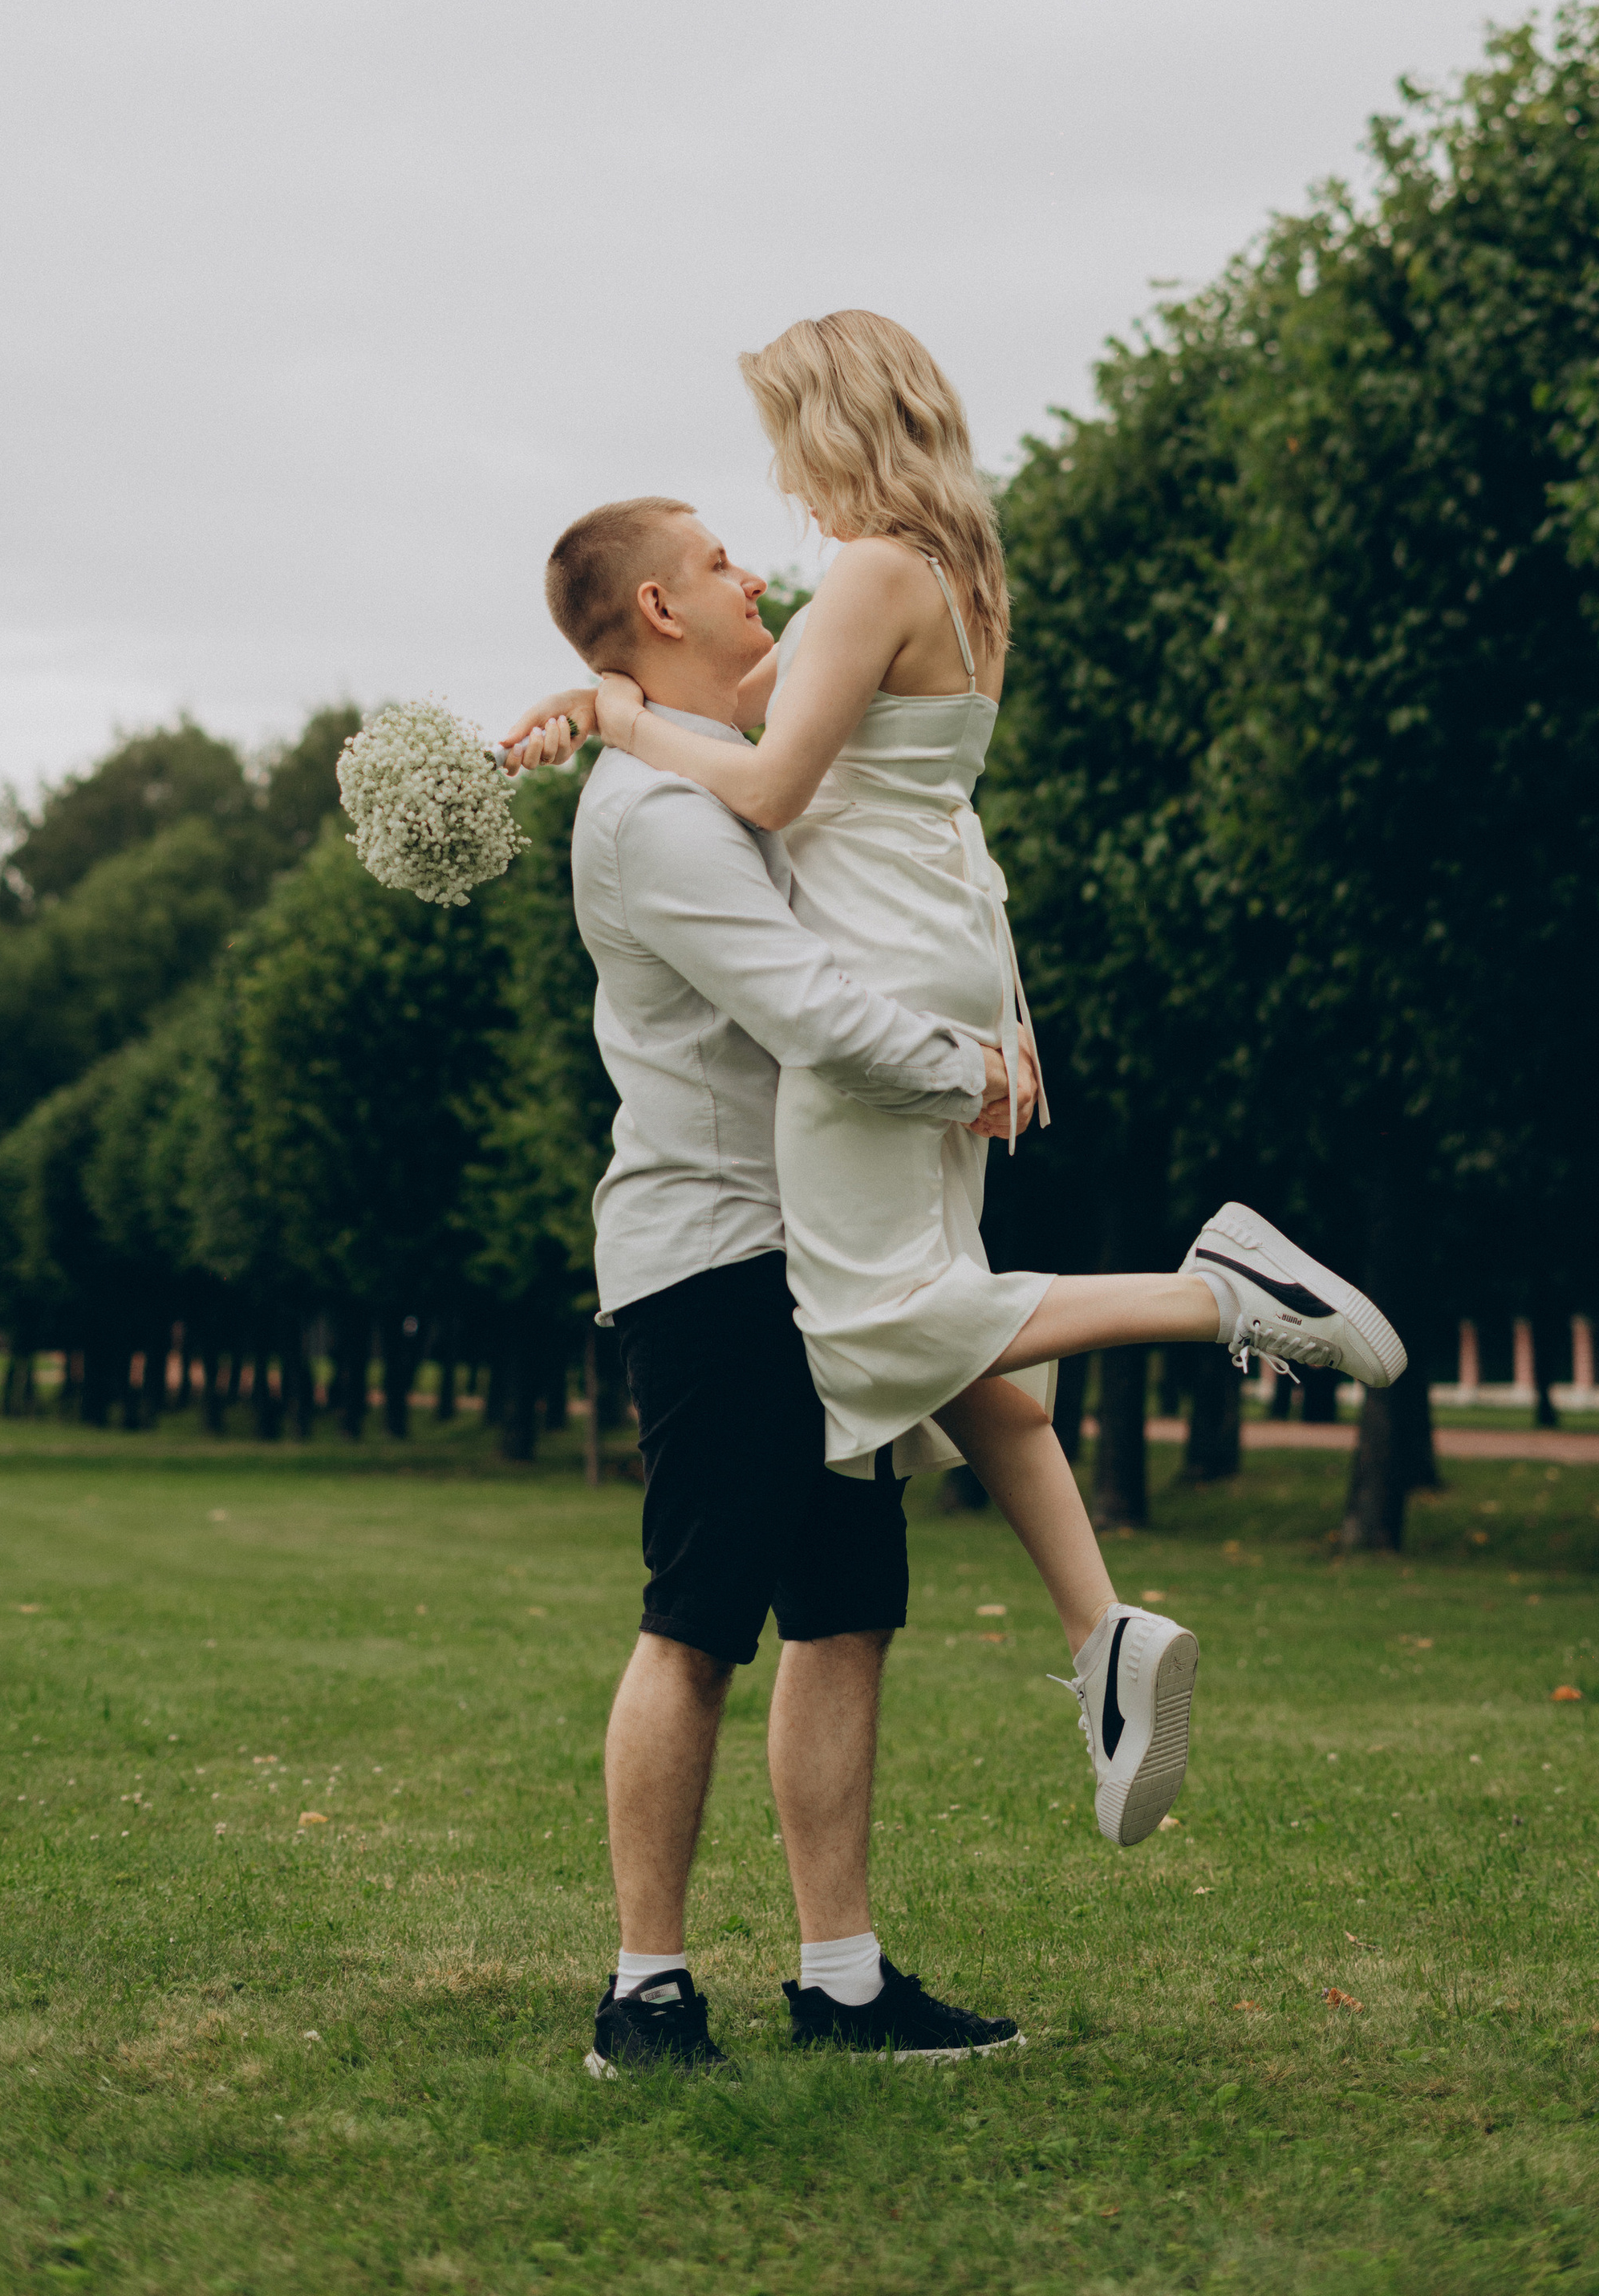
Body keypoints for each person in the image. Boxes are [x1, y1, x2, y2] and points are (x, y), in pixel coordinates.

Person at [511, 315, 1408, 1864]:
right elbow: (756, 708)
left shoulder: (867, 573)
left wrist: (621, 716)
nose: (775, 502)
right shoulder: (937, 565)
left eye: (785, 439)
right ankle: (1102, 1637)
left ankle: (1219, 1294)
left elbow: (773, 780)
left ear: (836, 423)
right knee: (944, 1316)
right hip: (942, 943)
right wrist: (605, 700)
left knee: (871, 1323)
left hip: (885, 973)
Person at [523, 494, 1036, 2078]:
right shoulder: (656, 819)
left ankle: (843, 1982)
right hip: (717, 1260)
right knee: (697, 1618)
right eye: (723, 560)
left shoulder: (722, 779)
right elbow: (812, 1011)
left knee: (843, 1610)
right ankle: (645, 1992)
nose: (757, 573)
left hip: (810, 1248)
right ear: (661, 609)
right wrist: (966, 1074)